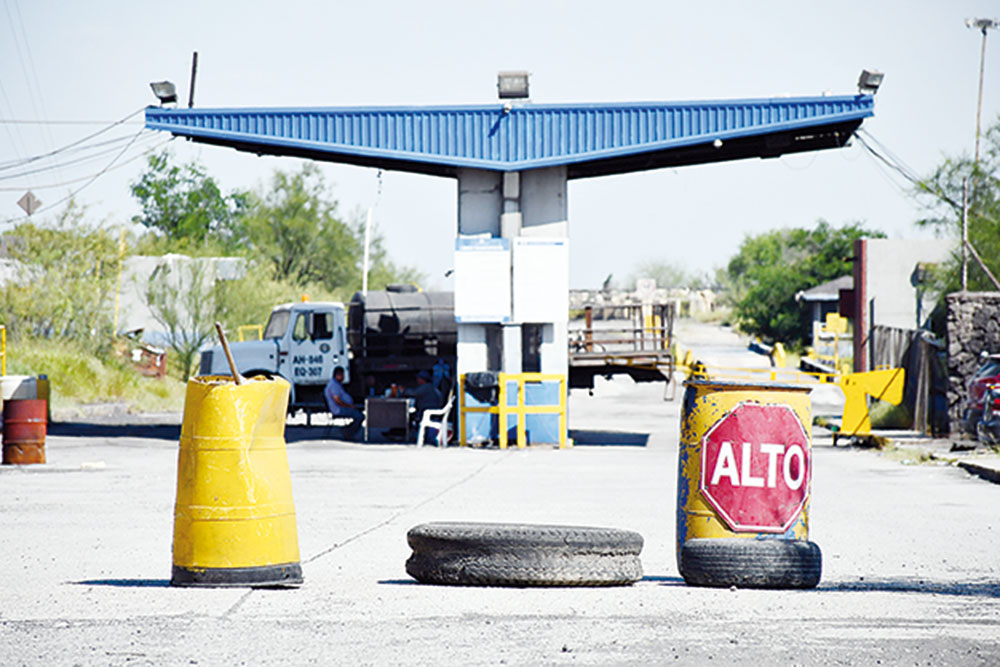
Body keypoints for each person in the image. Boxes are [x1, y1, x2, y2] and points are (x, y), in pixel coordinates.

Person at [324, 367, 363, 441]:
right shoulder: (334, 385)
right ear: (337, 375)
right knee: (360, 416)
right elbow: (338, 400)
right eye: (342, 375)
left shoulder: (337, 384)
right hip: (339, 410)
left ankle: (347, 430)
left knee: (359, 414)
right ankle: (347, 432)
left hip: (343, 408)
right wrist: (349, 406)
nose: (343, 377)